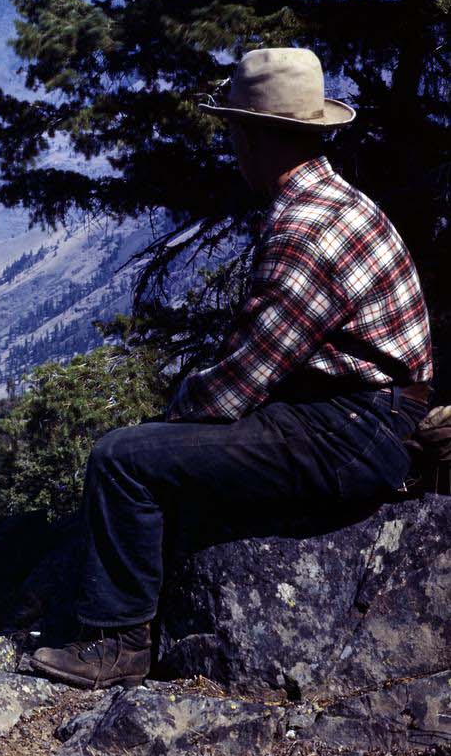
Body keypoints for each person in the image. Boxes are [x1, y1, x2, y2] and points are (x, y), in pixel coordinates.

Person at [29, 47, 434, 690]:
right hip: (374, 415)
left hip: (348, 431)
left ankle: (117, 643)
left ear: (251, 136)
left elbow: (235, 388)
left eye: (234, 133)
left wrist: (171, 414)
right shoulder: (338, 201)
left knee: (123, 459)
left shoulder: (303, 231)